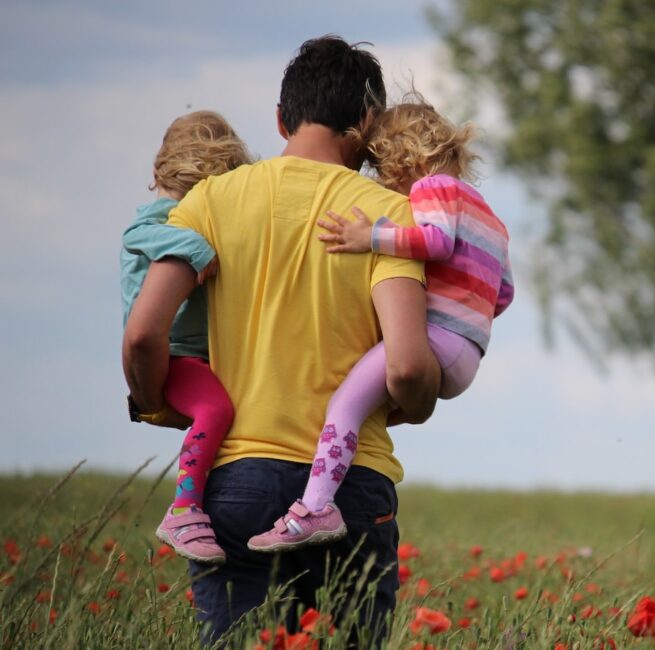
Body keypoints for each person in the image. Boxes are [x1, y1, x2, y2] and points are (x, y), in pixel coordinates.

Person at [122, 35, 440, 642]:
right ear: (367, 123)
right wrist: (416, 406)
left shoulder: (208, 202)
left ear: (279, 118)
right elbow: (406, 368)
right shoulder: (386, 216)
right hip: (350, 487)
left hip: (235, 479)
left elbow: (142, 335)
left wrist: (157, 402)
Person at [247, 96, 514, 552]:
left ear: (402, 157)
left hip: (436, 339)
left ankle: (315, 508)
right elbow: (503, 293)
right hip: (469, 352)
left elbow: (435, 241)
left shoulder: (433, 189)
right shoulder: (490, 217)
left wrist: (368, 237)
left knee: (343, 407)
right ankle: (328, 486)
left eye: (380, 166)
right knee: (366, 409)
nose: (380, 180)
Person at [121, 110, 251, 564]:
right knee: (216, 408)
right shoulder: (164, 216)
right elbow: (137, 234)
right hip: (174, 355)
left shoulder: (183, 212)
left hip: (195, 355)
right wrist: (196, 248)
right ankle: (184, 509)